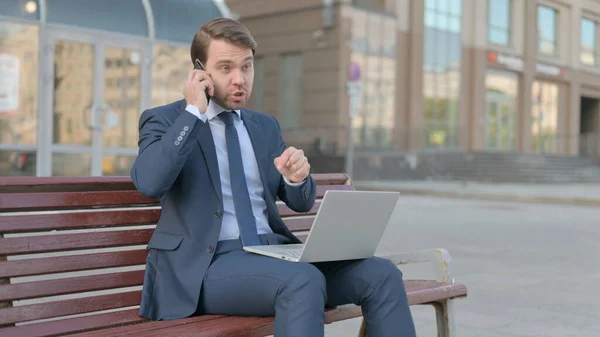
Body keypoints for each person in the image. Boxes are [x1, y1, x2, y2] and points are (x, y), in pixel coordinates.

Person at [131, 17, 417, 337]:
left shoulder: (263, 126)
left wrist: (297, 177)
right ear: (199, 71)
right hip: (203, 268)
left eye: (247, 66)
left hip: (273, 254)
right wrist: (193, 113)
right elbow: (150, 182)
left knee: (382, 274)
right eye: (225, 68)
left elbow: (301, 201)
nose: (240, 79)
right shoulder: (167, 120)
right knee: (301, 281)